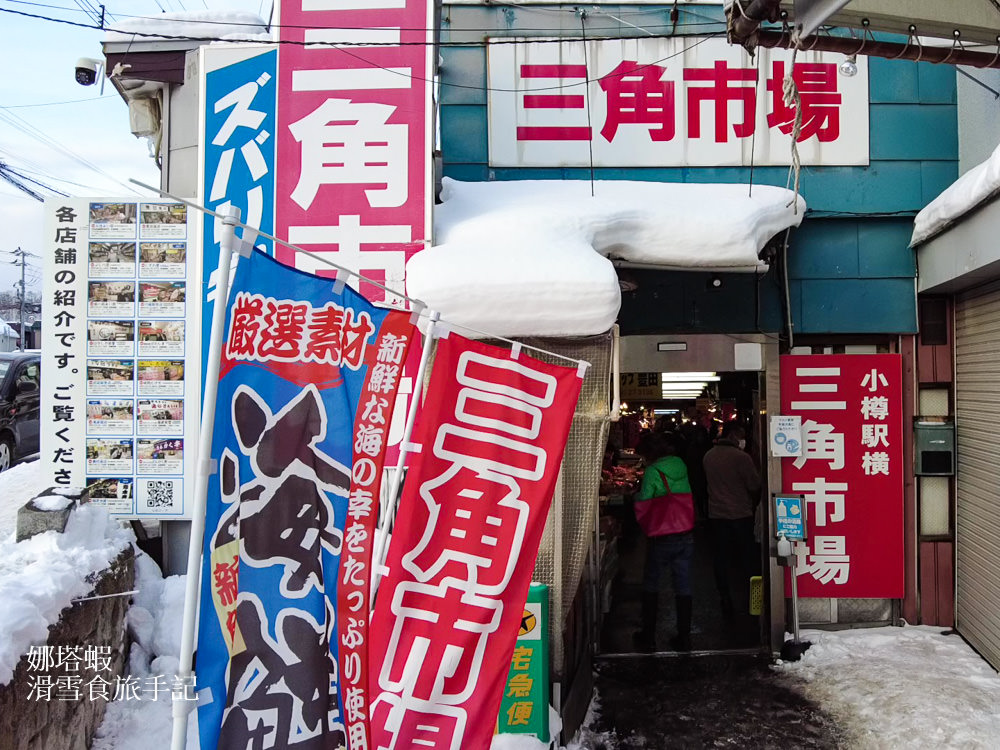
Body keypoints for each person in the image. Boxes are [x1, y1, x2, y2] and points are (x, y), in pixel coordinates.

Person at [632, 431, 695, 652]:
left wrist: (636, 499)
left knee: (652, 583)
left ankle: (648, 636)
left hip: (662, 535)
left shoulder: (652, 471)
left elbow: (646, 500)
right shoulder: (680, 464)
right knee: (683, 584)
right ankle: (684, 636)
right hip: (685, 533)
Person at [702, 422, 761, 625]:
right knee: (748, 558)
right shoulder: (741, 458)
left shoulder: (709, 456)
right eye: (742, 435)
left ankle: (724, 596)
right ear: (735, 435)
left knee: (721, 558)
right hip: (740, 514)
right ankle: (754, 599)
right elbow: (754, 484)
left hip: (717, 515)